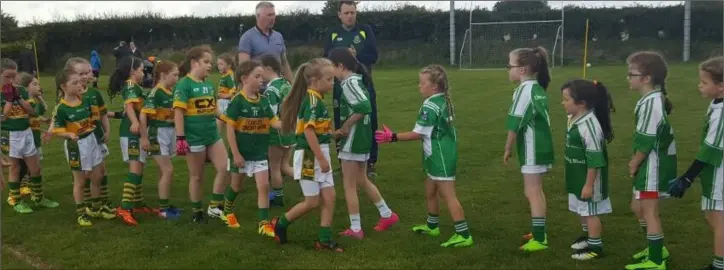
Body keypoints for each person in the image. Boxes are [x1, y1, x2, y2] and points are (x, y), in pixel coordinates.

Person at [375, 65, 473, 248]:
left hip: (440, 156)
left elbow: (418, 133)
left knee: (449, 195)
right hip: (440, 152)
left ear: (434, 86)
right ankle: (432, 226)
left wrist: (393, 137)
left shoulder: (430, 105)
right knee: (430, 190)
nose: (419, 86)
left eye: (422, 83)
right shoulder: (443, 100)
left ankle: (463, 234)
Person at [271, 58, 343, 252]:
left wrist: (331, 134)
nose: (332, 83)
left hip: (319, 153)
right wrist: (321, 158)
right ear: (314, 80)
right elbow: (308, 133)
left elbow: (315, 130)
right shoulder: (311, 100)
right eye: (329, 79)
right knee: (312, 201)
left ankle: (324, 240)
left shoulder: (317, 99)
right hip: (309, 156)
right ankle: (281, 223)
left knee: (330, 197)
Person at [327, 48, 398, 239]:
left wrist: (345, 127)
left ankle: (356, 228)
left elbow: (364, 107)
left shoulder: (348, 83)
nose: (331, 72)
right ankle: (387, 214)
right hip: (363, 138)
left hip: (353, 140)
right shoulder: (357, 80)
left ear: (340, 66)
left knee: (349, 184)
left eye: (332, 67)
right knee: (361, 179)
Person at [669, 56, 724, 270]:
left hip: (718, 171)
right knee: (713, 215)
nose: (699, 86)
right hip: (715, 168)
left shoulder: (721, 112)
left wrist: (687, 178)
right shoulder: (716, 103)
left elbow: (710, 150)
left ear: (720, 87)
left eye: (704, 82)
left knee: (716, 217)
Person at [624, 51, 677, 270]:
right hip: (650, 163)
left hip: (654, 165)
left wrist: (634, 162)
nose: (628, 78)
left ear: (646, 78)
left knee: (648, 210)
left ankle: (656, 261)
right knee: (637, 207)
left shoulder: (651, 103)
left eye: (631, 74)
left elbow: (647, 140)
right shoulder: (649, 100)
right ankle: (657, 248)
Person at [220, 60, 280, 237]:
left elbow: (274, 122)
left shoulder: (263, 101)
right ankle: (227, 211)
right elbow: (229, 128)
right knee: (236, 186)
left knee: (263, 186)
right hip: (242, 154)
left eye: (262, 76)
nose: (262, 80)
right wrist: (236, 153)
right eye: (257, 76)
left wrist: (290, 123)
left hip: (260, 153)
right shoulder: (238, 101)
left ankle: (263, 223)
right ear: (245, 78)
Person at [504, 47, 554, 252]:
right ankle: (539, 231)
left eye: (510, 65)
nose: (508, 69)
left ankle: (540, 239)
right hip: (541, 145)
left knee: (532, 191)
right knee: (537, 191)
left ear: (523, 69)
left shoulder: (524, 90)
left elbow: (515, 122)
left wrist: (508, 147)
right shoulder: (537, 88)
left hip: (533, 148)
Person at [560, 79, 615, 261]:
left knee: (590, 212)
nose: (562, 103)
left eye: (566, 99)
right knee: (581, 209)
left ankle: (595, 246)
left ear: (581, 104)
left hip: (589, 178)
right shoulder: (574, 118)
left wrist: (589, 185)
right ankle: (587, 237)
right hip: (577, 174)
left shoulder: (589, 126)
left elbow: (595, 159)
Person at [323, 0, 380, 177]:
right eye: (346, 13)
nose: (350, 16)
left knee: (369, 119)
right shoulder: (332, 33)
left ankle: (369, 162)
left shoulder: (365, 30)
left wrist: (354, 57)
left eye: (352, 12)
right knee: (341, 119)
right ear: (339, 14)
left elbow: (374, 55)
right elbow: (326, 57)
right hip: (340, 85)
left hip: (363, 83)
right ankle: (343, 160)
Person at [173, 45, 229, 224]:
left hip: (212, 135)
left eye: (210, 63)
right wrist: (181, 138)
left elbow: (215, 111)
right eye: (206, 62)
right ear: (194, 63)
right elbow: (178, 113)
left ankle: (214, 206)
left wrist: (230, 120)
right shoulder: (184, 84)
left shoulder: (208, 84)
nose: (210, 66)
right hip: (193, 137)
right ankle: (197, 210)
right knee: (197, 176)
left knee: (224, 167)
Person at [1, 58, 58, 214]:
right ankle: (16, 201)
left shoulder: (22, 90)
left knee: (36, 168)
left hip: (26, 133)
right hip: (10, 135)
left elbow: (32, 111)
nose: (12, 80)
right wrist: (8, 100)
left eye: (14, 76)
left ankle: (38, 198)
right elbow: (3, 117)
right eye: (8, 77)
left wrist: (17, 97)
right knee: (15, 168)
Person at [50, 70, 105, 226]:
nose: (79, 85)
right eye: (74, 83)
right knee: (79, 181)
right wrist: (68, 134)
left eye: (79, 82)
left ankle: (96, 207)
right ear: (63, 86)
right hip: (76, 146)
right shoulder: (61, 108)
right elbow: (57, 130)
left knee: (97, 176)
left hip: (91, 141)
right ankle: (81, 213)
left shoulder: (84, 100)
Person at [109, 56, 154, 226]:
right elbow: (129, 107)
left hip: (136, 132)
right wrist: (136, 123)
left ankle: (138, 203)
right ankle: (124, 207)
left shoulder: (134, 87)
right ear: (132, 71)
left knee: (139, 168)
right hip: (132, 134)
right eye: (142, 70)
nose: (144, 73)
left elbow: (129, 109)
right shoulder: (130, 86)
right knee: (135, 169)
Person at [140, 60, 181, 219]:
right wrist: (144, 138)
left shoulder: (172, 91)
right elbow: (144, 115)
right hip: (157, 133)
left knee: (162, 170)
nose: (177, 78)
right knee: (168, 170)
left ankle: (163, 204)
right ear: (163, 75)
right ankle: (164, 210)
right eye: (175, 75)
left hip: (169, 132)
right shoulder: (156, 92)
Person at [260, 54, 294, 207]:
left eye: (260, 71)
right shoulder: (286, 83)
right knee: (285, 166)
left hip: (277, 132)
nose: (259, 75)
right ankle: (312, 182)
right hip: (291, 129)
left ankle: (278, 200)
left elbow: (270, 114)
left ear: (268, 68)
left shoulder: (271, 90)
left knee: (274, 167)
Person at [237, 1, 293, 81]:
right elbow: (244, 68)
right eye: (269, 15)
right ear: (258, 16)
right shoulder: (247, 37)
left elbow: (284, 63)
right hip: (259, 89)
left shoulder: (278, 36)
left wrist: (292, 85)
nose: (272, 18)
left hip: (278, 87)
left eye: (273, 14)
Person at [216, 53, 236, 135]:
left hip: (226, 103)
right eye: (218, 64)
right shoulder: (224, 75)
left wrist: (227, 95)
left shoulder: (230, 75)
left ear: (229, 65)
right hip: (222, 102)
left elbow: (234, 88)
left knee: (219, 124)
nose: (219, 66)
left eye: (221, 64)